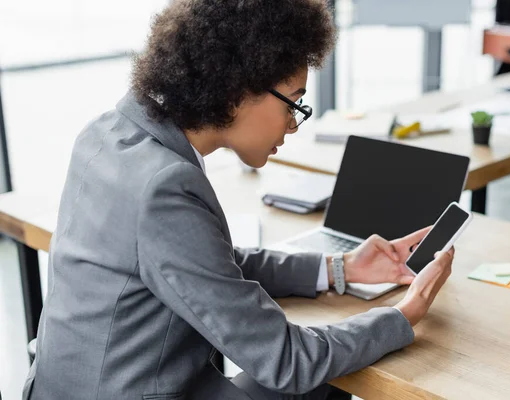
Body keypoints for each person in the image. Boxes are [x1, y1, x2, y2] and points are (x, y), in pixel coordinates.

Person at [23, 1, 454, 399]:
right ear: (237, 88)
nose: (294, 125)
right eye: (294, 104)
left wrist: (341, 267)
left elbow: (207, 265)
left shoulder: (110, 131)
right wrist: (403, 315)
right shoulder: (165, 186)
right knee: (325, 376)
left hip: (64, 386)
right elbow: (287, 362)